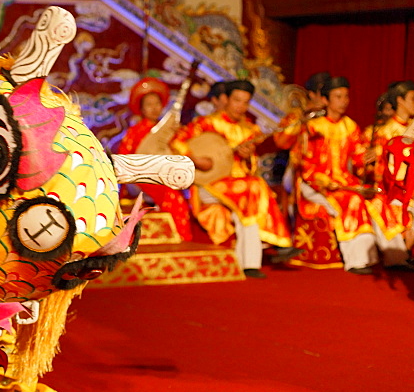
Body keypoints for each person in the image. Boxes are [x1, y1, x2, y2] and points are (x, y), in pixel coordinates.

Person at [171, 79, 301, 278]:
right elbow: (176, 142)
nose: (241, 106)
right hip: (209, 183)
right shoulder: (206, 123)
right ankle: (278, 242)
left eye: (245, 102)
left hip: (240, 187)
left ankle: (249, 265)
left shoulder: (250, 129)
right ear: (226, 100)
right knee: (255, 187)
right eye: (237, 100)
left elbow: (251, 168)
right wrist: (196, 159)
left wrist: (248, 157)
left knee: (250, 201)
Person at [296, 75, 413, 275]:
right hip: (316, 183)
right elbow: (305, 163)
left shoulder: (350, 126)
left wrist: (366, 157)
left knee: (377, 199)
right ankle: (358, 260)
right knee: (353, 201)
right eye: (338, 97)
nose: (344, 101)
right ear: (326, 100)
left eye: (346, 97)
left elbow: (358, 157)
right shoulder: (313, 127)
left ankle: (396, 257)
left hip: (344, 182)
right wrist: (322, 181)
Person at [114, 77, 192, 241]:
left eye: (156, 104)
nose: (154, 108)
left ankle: (179, 236)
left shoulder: (167, 129)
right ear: (142, 108)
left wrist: (177, 136)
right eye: (149, 105)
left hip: (164, 175)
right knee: (170, 195)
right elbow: (124, 158)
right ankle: (181, 236)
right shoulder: (135, 132)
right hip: (141, 177)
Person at [372, 80, 414, 241]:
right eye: (413, 98)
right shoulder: (386, 131)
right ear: (400, 100)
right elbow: (382, 170)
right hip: (396, 187)